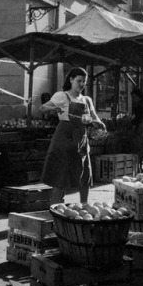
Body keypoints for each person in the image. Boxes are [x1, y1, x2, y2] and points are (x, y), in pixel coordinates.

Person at [39, 67, 106, 205]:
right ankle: (55, 209)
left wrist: (100, 124)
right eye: (79, 81)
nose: (82, 84)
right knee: (60, 175)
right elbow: (42, 108)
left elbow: (94, 117)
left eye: (84, 82)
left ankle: (84, 206)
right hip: (64, 138)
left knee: (85, 174)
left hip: (80, 138)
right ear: (71, 80)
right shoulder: (62, 96)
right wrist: (54, 108)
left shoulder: (86, 99)